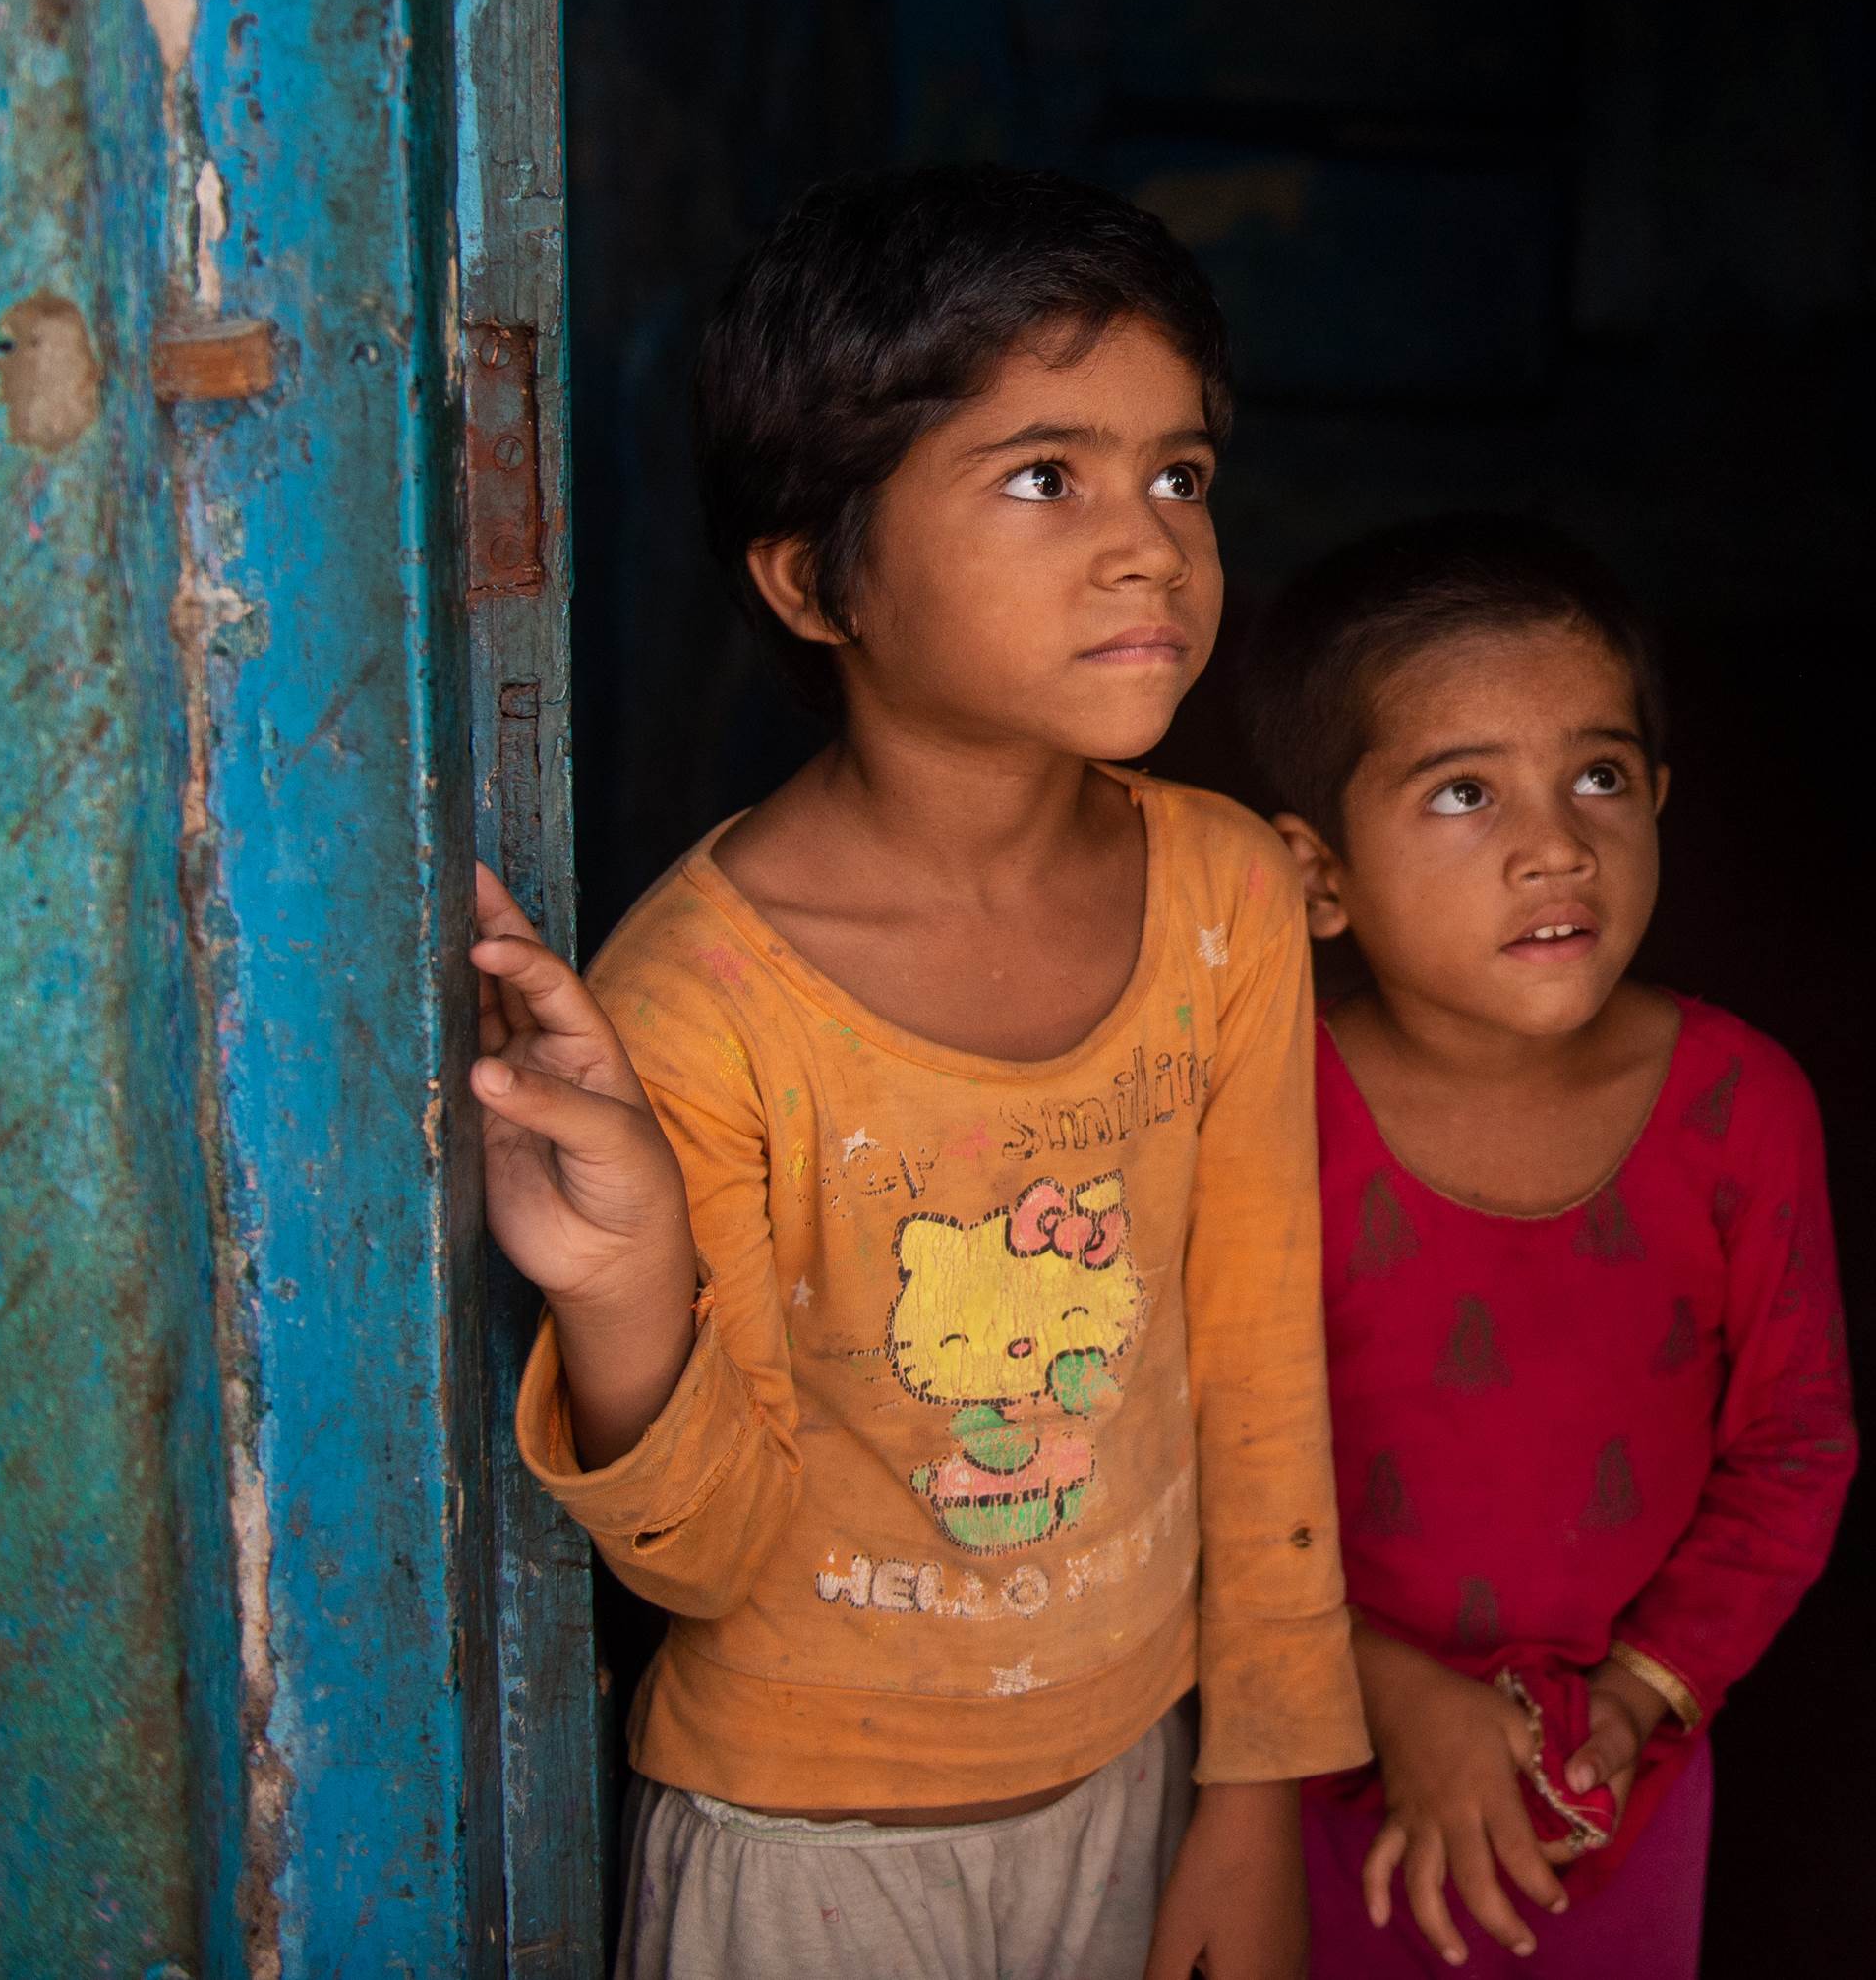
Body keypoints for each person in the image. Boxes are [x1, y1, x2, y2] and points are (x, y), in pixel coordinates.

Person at [464, 167, 1361, 1980]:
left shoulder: (1228, 901)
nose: (1147, 544)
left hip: (1134, 1776)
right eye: (1046, 477)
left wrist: (1257, 1791)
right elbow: (700, 1562)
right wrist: (630, 1286)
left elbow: (1263, 1364)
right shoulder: (704, 1004)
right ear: (818, 581)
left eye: (1177, 474)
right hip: (801, 1852)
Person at [1247, 515, 1856, 1978]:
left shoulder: (1741, 1106)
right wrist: (1387, 1694)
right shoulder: (1258, 1116)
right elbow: (1179, 1469)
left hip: (1616, 1795)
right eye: (1463, 791)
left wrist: (1636, 1707)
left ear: (1658, 796)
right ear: (1318, 878)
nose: (1554, 847)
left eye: (1597, 777)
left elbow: (1793, 1448)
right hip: (1302, 1772)